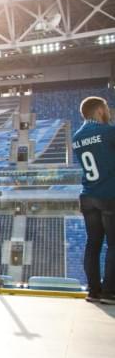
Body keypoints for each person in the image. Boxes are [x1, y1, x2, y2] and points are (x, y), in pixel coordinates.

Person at [72, 96, 115, 304]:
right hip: (109, 195)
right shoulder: (109, 132)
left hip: (88, 196)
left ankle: (93, 291)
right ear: (99, 110)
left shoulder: (77, 136)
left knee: (93, 244)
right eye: (106, 108)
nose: (108, 112)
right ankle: (109, 292)